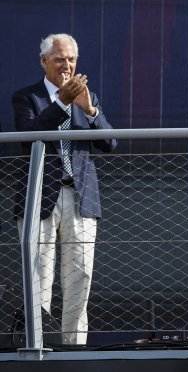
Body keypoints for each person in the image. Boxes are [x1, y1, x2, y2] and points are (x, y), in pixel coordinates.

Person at [12, 33, 117, 345]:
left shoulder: (88, 96)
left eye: (71, 59)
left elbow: (109, 142)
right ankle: (37, 345)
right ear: (44, 61)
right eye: (59, 59)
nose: (66, 65)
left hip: (82, 198)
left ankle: (75, 348)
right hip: (39, 198)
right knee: (39, 275)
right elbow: (28, 137)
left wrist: (91, 111)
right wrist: (61, 103)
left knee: (80, 276)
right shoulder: (26, 97)